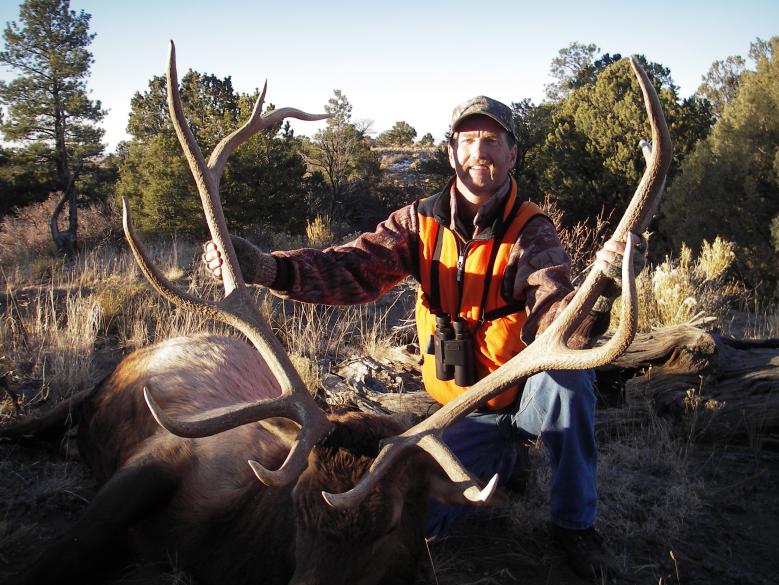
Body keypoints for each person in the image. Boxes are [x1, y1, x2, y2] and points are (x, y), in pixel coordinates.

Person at [203, 96, 644, 581]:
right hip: (458, 410)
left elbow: (557, 320)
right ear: (452, 152)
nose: (481, 152)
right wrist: (268, 268)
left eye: (493, 141)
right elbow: (353, 267)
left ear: (512, 155)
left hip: (523, 395)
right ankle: (503, 456)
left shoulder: (530, 232)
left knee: (567, 380)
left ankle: (574, 525)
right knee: (417, 523)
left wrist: (601, 292)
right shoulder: (418, 223)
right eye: (470, 140)